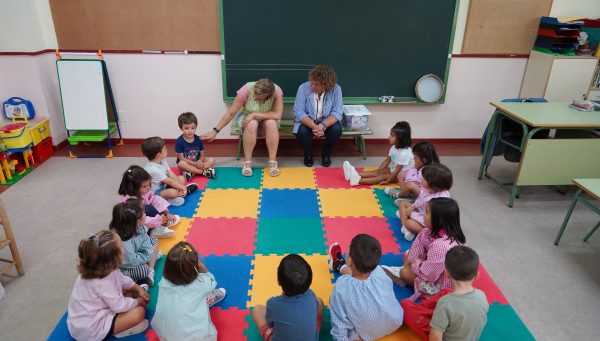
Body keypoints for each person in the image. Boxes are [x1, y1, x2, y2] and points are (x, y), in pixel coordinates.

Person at [67, 230, 149, 340]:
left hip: (83, 321)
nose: (124, 249)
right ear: (113, 258)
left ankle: (121, 321)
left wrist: (138, 288)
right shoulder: (102, 282)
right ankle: (120, 331)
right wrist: (139, 301)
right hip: (91, 330)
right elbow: (120, 306)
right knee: (139, 313)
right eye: (121, 247)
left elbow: (122, 279)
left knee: (128, 291)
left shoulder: (101, 268)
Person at [383, 198, 466, 302]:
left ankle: (402, 274)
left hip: (443, 285)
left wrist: (415, 263)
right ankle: (403, 271)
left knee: (405, 273)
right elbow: (416, 248)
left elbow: (430, 276)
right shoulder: (429, 231)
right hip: (432, 266)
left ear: (438, 220)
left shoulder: (441, 246)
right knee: (409, 255)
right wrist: (412, 261)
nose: (423, 215)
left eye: (426, 212)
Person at [400, 246, 488, 341]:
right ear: (477, 276)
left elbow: (435, 337)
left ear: (446, 273)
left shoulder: (445, 303)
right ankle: (425, 308)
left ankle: (423, 310)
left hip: (443, 335)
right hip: (464, 333)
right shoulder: (482, 296)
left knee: (405, 304)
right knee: (446, 292)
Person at [201, 79, 283, 177]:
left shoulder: (276, 91)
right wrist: (215, 131)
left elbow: (277, 114)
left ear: (267, 97)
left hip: (264, 118)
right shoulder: (246, 89)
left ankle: (272, 162)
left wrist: (254, 114)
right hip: (246, 119)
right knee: (252, 123)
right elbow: (231, 113)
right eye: (254, 94)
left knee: (272, 123)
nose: (254, 97)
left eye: (258, 97)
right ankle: (247, 163)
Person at [328, 234, 403, 340]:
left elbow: (339, 331)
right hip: (395, 322)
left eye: (348, 250)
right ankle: (340, 265)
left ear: (349, 260)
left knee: (334, 298)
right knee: (356, 278)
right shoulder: (379, 272)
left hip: (366, 333)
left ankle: (339, 264)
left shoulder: (341, 286)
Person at [151, 242, 226, 341]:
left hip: (164, 337)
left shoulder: (163, 281)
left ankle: (203, 300)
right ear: (195, 267)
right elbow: (213, 281)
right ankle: (208, 298)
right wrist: (204, 270)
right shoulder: (201, 283)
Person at [251, 254, 324, 341]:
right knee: (319, 301)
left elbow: (270, 323)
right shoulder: (311, 296)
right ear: (309, 282)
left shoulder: (273, 304)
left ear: (278, 282)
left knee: (257, 310)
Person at [293, 65, 343, 167]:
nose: (312, 86)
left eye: (317, 84)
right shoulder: (303, 88)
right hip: (308, 120)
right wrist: (315, 127)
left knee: (336, 130)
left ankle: (326, 154)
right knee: (302, 131)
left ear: (327, 85)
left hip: (327, 121)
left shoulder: (336, 89)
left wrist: (323, 125)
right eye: (312, 83)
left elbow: (337, 112)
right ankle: (308, 155)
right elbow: (299, 112)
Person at [343, 121, 413, 186]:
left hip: (402, 176)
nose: (388, 137)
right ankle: (352, 174)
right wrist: (378, 171)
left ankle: (358, 181)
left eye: (392, 136)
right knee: (377, 172)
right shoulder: (394, 147)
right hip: (394, 170)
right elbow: (387, 161)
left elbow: (397, 171)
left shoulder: (405, 153)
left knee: (382, 176)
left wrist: (387, 181)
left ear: (400, 139)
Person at [110, 199, 160, 288]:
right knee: (143, 270)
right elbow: (133, 262)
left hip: (139, 254)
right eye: (144, 213)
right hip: (126, 267)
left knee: (154, 240)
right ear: (137, 221)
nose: (146, 214)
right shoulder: (125, 243)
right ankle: (136, 283)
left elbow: (147, 241)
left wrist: (147, 252)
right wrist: (148, 255)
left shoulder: (140, 227)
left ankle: (151, 271)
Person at [117, 165, 178, 239]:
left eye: (149, 184)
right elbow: (140, 221)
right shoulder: (130, 203)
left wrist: (166, 212)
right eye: (145, 186)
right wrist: (159, 220)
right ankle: (154, 230)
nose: (149, 187)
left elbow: (154, 198)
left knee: (154, 203)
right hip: (133, 225)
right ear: (134, 187)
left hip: (142, 215)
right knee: (149, 209)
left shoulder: (142, 192)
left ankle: (160, 223)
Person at [396, 163, 452, 241]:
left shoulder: (437, 201)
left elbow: (428, 222)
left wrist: (411, 214)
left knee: (410, 223)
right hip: (421, 213)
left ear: (433, 183)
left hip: (429, 224)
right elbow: (420, 199)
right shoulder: (429, 189)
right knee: (403, 204)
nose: (422, 179)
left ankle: (406, 225)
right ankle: (405, 227)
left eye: (424, 178)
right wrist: (413, 207)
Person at [142, 136, 198, 206]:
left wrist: (179, 186)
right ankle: (182, 193)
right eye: (165, 149)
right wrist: (182, 187)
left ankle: (180, 194)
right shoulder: (152, 169)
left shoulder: (162, 160)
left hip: (164, 186)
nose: (167, 150)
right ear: (158, 154)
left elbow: (170, 173)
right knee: (172, 192)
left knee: (181, 178)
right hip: (155, 193)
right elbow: (169, 181)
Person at [176, 112, 216, 180]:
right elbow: (181, 158)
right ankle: (203, 172)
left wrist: (199, 162)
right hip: (187, 164)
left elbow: (202, 155)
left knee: (212, 160)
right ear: (181, 128)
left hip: (197, 162)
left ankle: (191, 173)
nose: (190, 131)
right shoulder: (179, 141)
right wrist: (194, 164)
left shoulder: (198, 139)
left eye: (193, 128)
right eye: (186, 128)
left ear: (196, 127)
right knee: (181, 164)